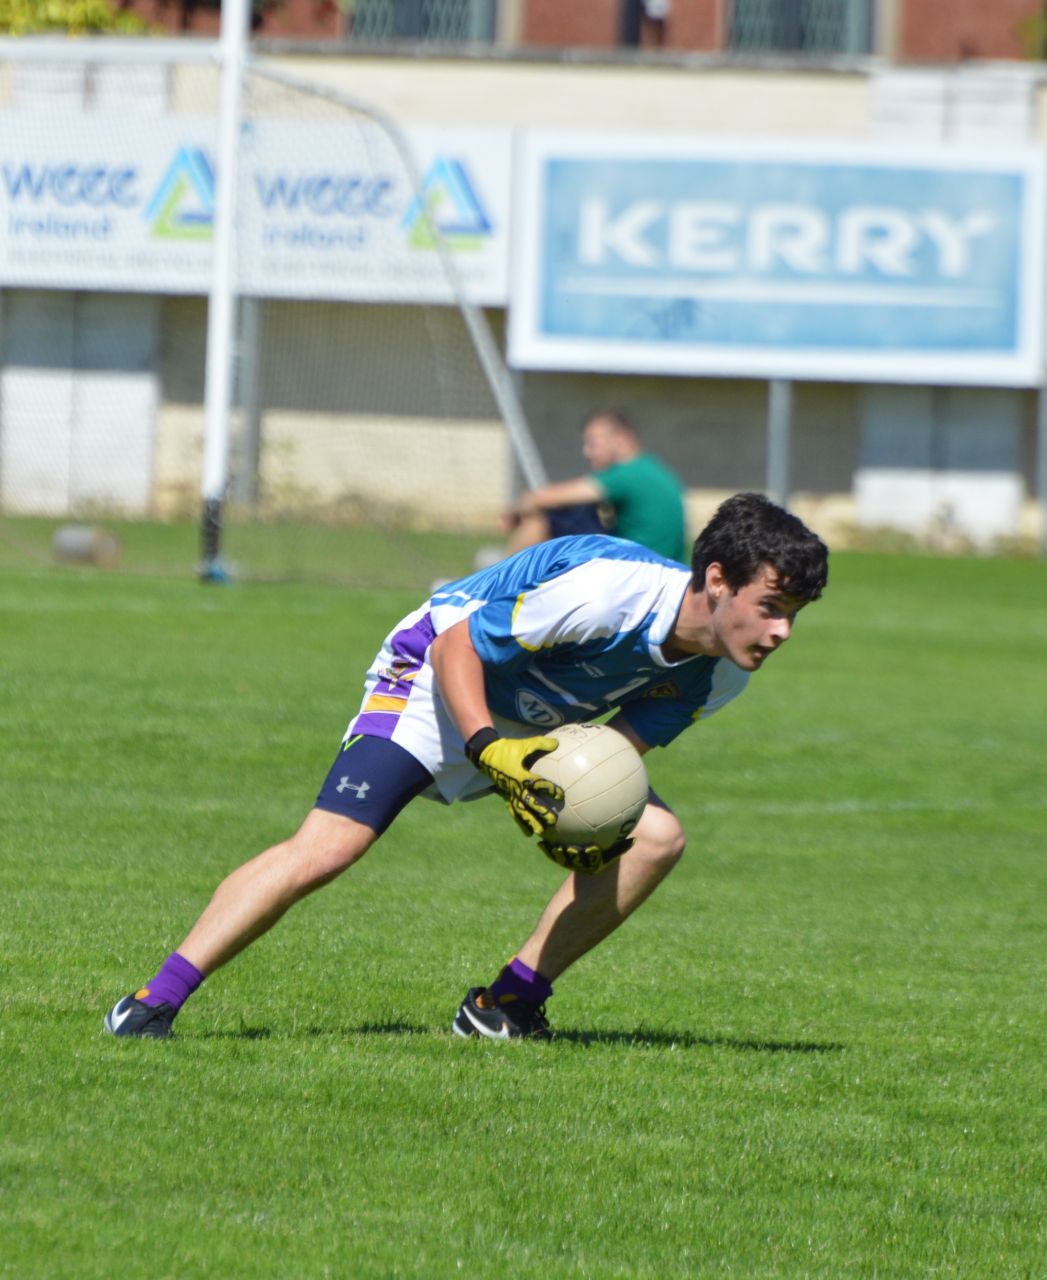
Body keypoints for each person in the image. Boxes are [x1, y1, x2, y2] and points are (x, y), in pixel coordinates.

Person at [104, 492, 828, 1043]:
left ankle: (505, 1005)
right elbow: (460, 647)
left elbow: (613, 754)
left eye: (792, 614)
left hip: (531, 716)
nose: (780, 632)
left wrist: (565, 800)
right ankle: (148, 1005)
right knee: (331, 846)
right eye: (769, 607)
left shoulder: (722, 673)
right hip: (433, 670)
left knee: (656, 838)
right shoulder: (611, 591)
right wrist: (490, 751)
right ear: (716, 580)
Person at [501, 410, 688, 563]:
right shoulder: (651, 468)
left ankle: (497, 581)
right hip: (666, 566)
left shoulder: (627, 474)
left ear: (620, 439)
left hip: (638, 568)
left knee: (543, 519)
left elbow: (542, 498)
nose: (586, 452)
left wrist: (515, 512)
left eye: (592, 443)